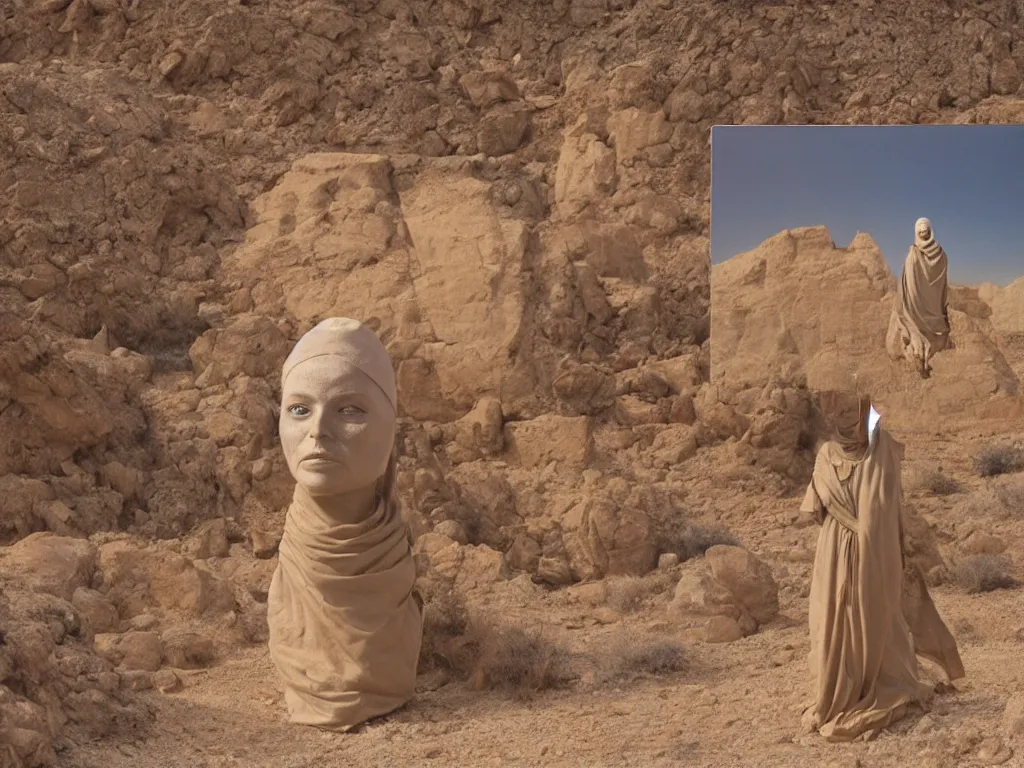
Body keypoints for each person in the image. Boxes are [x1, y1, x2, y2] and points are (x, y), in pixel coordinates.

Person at [267, 317, 423, 732]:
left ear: (391, 429)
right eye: (299, 409)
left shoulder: (391, 567)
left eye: (349, 410)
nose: (317, 431)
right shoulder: (294, 566)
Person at [799, 390, 964, 742]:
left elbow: (815, 511)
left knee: (836, 618)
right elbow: (890, 507)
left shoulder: (827, 455)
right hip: (876, 551)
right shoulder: (883, 451)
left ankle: (837, 692)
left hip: (834, 550)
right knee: (878, 617)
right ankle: (874, 683)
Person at [885, 217, 951, 378]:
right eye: (921, 232)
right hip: (920, 301)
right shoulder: (935, 254)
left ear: (929, 232)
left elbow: (938, 279)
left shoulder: (921, 254)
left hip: (927, 303)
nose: (923, 234)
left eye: (924, 232)